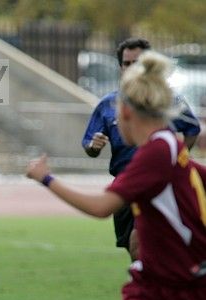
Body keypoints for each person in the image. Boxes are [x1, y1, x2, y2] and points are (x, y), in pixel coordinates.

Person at [28, 51, 206, 300]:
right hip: (152, 285)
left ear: (125, 112)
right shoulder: (165, 145)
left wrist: (45, 178)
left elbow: (102, 206)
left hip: (196, 287)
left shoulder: (156, 151)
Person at [82, 38, 201, 260]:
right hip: (126, 184)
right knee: (136, 249)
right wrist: (93, 146)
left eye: (138, 63)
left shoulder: (169, 107)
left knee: (141, 244)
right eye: (127, 63)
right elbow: (89, 144)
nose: (132, 69)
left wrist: (180, 159)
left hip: (158, 186)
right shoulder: (109, 104)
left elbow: (192, 129)